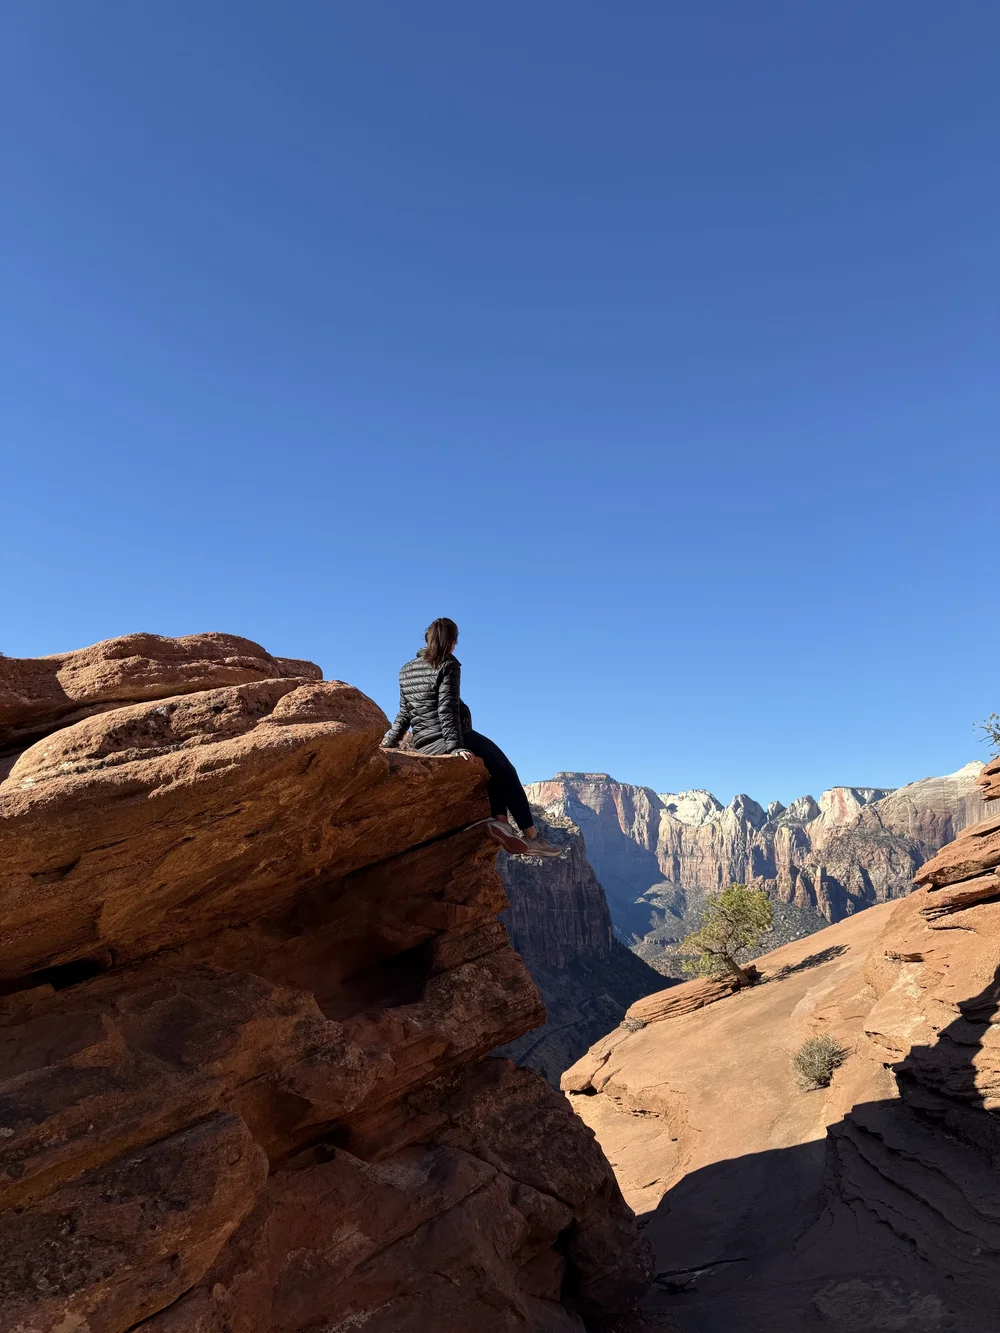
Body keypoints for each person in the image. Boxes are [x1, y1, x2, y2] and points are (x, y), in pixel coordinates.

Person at [382, 617, 561, 856]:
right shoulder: (447, 663)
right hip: (451, 737)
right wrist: (455, 747)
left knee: (491, 769)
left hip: (423, 743)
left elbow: (404, 714)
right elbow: (447, 708)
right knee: (506, 769)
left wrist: (388, 745)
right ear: (452, 642)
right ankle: (532, 837)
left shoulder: (406, 670)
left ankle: (502, 823)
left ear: (426, 639)